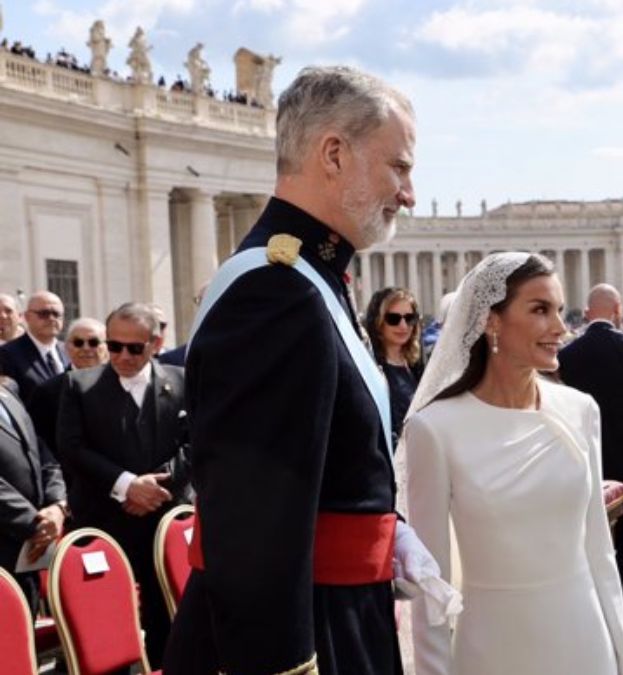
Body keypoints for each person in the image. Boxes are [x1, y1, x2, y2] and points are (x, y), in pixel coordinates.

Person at [165, 66, 435, 675]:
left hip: (339, 614)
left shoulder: (311, 281)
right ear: (333, 154)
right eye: (399, 167)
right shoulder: (276, 294)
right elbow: (254, 526)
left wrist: (383, 531)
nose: (409, 193)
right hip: (304, 637)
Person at [406, 253, 623, 675]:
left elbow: (600, 550)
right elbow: (429, 589)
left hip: (585, 641)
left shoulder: (582, 410)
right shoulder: (433, 430)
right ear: (492, 320)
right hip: (493, 650)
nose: (562, 328)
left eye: (560, 311)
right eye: (540, 310)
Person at [56, 303, 188, 667]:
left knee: (169, 623)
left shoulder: (180, 381)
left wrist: (156, 487)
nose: (122, 356)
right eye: (114, 346)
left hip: (163, 523)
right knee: (101, 627)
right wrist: (128, 485)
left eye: (134, 348)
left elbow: (197, 444)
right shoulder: (78, 385)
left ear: (155, 343)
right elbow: (72, 447)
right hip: (106, 522)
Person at [558, 283, 623, 619]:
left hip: (588, 467)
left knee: (592, 548)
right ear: (618, 310)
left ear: (588, 313)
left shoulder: (567, 354)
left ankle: (598, 615)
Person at [0, 385, 66, 612]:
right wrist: (35, 523)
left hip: (28, 551)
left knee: (26, 637)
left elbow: (43, 456)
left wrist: (57, 506)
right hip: (14, 538)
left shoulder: (8, 395)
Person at [28, 317, 107, 457]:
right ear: (66, 347)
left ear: (106, 347)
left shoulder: (123, 384)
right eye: (78, 343)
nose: (86, 348)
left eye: (93, 342)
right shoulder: (47, 391)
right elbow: (41, 443)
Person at [365, 287, 424, 442]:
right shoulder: (369, 367)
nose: (403, 326)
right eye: (393, 319)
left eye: (409, 318)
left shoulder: (416, 366)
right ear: (379, 322)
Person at [0, 291, 68, 403]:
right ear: (27, 317)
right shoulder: (6, 354)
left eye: (56, 314)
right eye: (44, 314)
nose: (51, 318)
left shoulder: (70, 350)